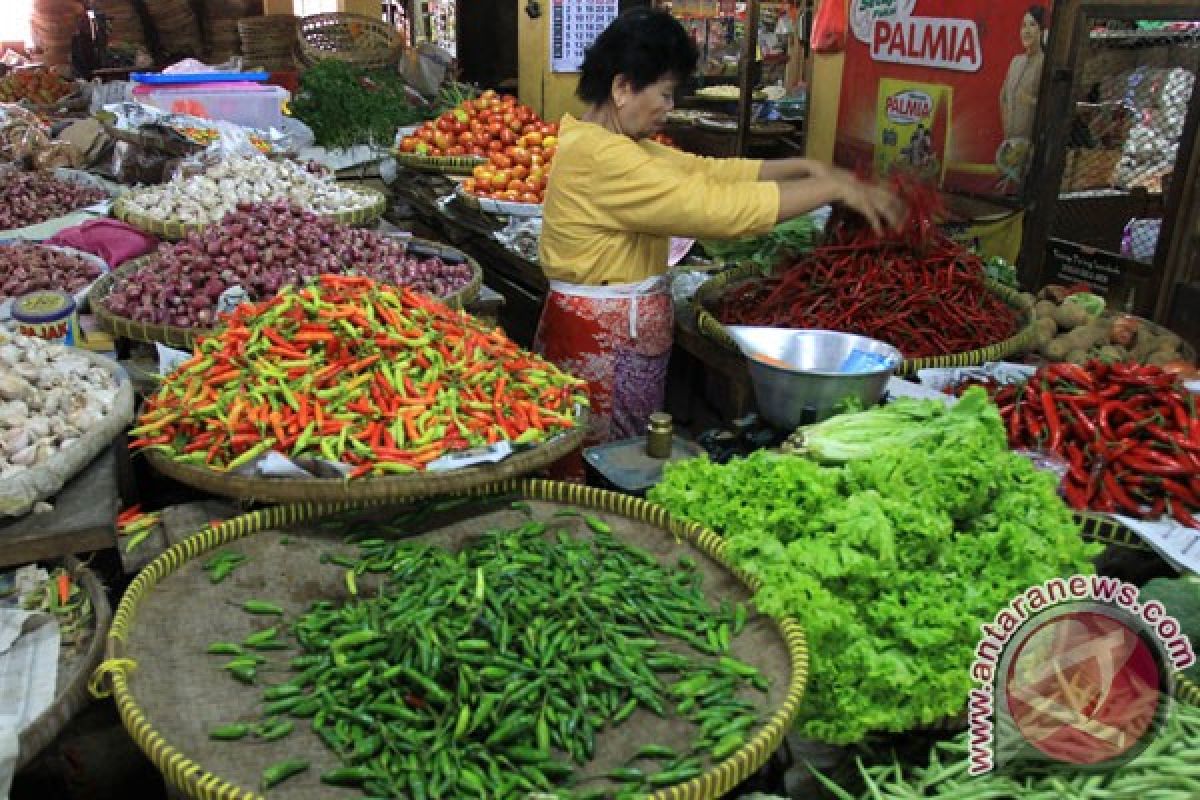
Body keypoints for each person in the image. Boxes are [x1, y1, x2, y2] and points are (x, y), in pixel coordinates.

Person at [536, 8, 902, 477]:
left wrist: (803, 168)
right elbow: (717, 209)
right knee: (603, 468)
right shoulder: (603, 158)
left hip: (616, 332)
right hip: (602, 342)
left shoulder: (608, 143)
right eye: (665, 94)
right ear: (623, 87)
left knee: (618, 455)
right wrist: (834, 190)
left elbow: (704, 171)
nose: (669, 108)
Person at [1000, 7, 1047, 143]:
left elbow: (1051, 106)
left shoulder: (1045, 63)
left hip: (1032, 145)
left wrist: (1030, 101)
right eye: (1023, 25)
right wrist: (1007, 129)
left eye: (1032, 25)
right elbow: (1003, 97)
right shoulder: (1015, 61)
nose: (1026, 31)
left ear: (1042, 30)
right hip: (1009, 143)